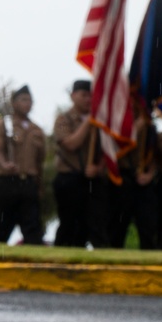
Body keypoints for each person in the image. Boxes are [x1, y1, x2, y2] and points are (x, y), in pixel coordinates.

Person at [52, 80, 108, 248]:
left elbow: (108, 150)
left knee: (94, 224)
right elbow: (70, 144)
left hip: (92, 179)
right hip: (69, 179)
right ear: (73, 96)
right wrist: (87, 122)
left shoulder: (101, 122)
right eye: (83, 95)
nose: (88, 99)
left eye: (91, 96)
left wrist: (98, 168)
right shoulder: (63, 119)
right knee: (69, 224)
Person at [0, 85, 46, 245]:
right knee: (3, 225)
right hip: (8, 181)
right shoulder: (3, 126)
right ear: (14, 103)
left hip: (28, 182)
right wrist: (5, 164)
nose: (27, 104)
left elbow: (39, 161)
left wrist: (38, 185)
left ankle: (35, 263)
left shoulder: (37, 130)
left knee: (33, 226)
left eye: (30, 100)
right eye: (23, 100)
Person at [108, 115, 158, 250]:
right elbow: (114, 145)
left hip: (144, 179)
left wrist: (150, 174)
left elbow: (154, 152)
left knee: (148, 228)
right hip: (122, 177)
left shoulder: (150, 127)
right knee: (117, 228)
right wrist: (135, 129)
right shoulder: (117, 120)